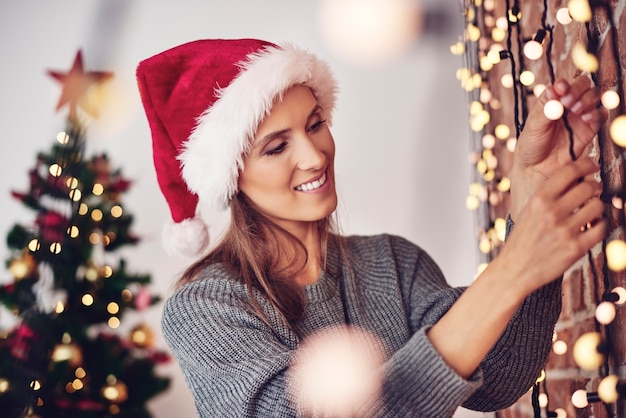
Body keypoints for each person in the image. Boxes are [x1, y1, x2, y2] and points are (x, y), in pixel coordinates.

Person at [136, 39, 607, 417]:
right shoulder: (204, 309)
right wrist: (512, 272)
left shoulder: (393, 262)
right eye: (277, 148)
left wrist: (531, 198)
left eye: (315, 124)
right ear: (231, 177)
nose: (315, 156)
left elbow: (497, 378)